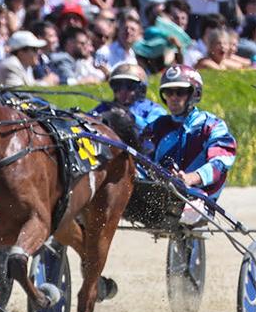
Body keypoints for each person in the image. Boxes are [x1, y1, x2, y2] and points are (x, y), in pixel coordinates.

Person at [141, 65, 236, 225]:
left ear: (195, 94)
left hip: (198, 195)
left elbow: (221, 162)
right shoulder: (155, 127)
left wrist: (192, 178)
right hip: (160, 193)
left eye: (180, 92)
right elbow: (142, 157)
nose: (173, 97)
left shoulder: (212, 125)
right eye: (169, 92)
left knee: (189, 211)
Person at [90, 62, 166, 134]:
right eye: (117, 85)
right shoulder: (105, 107)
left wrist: (131, 118)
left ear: (141, 89)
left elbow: (153, 130)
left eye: (129, 86)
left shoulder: (154, 109)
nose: (123, 91)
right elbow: (86, 119)